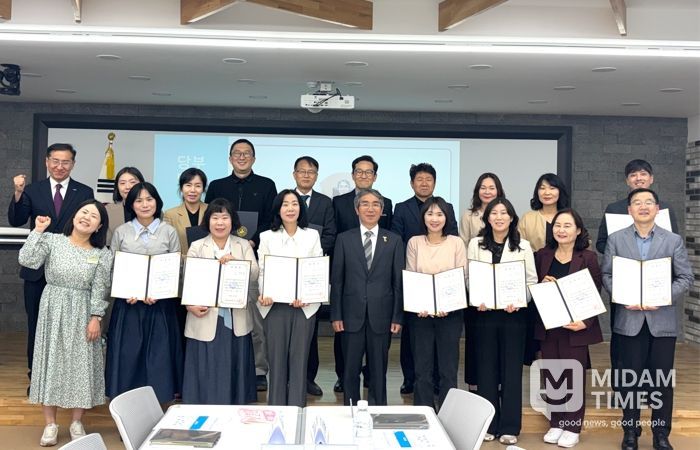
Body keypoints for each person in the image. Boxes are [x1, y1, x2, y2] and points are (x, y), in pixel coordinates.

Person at [602, 188, 692, 450]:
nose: (643, 206)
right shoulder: (616, 239)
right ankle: (630, 431)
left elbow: (685, 277)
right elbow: (607, 275)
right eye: (637, 202)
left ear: (657, 208)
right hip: (628, 320)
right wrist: (621, 295)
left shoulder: (672, 240)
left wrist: (662, 296)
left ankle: (661, 434)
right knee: (630, 380)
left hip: (661, 321)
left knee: (661, 382)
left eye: (648, 202)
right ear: (629, 209)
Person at [18, 200, 113, 447]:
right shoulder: (53, 241)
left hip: (83, 310)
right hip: (53, 307)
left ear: (99, 226)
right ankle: (50, 424)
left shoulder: (102, 254)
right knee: (50, 362)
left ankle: (76, 422)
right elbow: (27, 260)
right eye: (84, 212)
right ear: (74, 216)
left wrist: (96, 317)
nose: (86, 217)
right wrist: (38, 231)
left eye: (93, 216)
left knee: (81, 364)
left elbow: (100, 288)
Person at [8, 143, 94, 389]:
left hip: (70, 272)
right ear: (47, 162)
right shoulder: (32, 190)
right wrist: (18, 193)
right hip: (37, 271)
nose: (60, 166)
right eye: (55, 161)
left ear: (73, 164)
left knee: (69, 329)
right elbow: (16, 220)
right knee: (37, 325)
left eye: (65, 162)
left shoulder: (84, 191)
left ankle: (64, 379)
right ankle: (36, 378)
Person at [204, 138, 277, 391]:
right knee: (218, 317)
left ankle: (258, 369)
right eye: (237, 153)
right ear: (230, 158)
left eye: (247, 153)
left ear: (254, 158)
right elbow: (210, 215)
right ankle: (223, 364)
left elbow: (271, 218)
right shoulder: (217, 185)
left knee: (254, 319)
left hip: (249, 254)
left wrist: (253, 241)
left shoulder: (266, 185)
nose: (242, 157)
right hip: (218, 257)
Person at [467, 198, 537, 445]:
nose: (499, 217)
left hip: (513, 315)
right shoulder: (475, 244)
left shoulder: (524, 246)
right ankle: (489, 423)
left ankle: (509, 426)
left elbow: (531, 280)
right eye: (494, 213)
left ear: (511, 218)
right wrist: (476, 297)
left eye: (504, 213)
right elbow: (469, 276)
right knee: (486, 369)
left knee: (511, 371)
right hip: (484, 314)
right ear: (487, 218)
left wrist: (519, 300)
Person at [105, 182, 183, 404]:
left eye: (149, 199)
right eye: (139, 200)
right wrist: (124, 291)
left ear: (157, 202)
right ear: (131, 205)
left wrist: (161, 292)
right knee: (129, 356)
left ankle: (159, 403)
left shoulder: (169, 231)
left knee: (159, 356)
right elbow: (114, 267)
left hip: (161, 305)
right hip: (129, 305)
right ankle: (128, 404)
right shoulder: (122, 231)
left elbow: (176, 267)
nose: (145, 204)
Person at [533, 208, 603, 448]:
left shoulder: (588, 257)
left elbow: (595, 292)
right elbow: (533, 287)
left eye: (567, 226)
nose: (561, 230)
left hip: (576, 327)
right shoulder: (543, 255)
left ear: (578, 230)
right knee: (552, 376)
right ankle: (556, 422)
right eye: (557, 225)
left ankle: (572, 427)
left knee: (573, 377)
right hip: (549, 326)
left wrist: (586, 322)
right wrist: (541, 284)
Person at [331, 188, 404, 406]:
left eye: (375, 204)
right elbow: (337, 281)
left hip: (382, 316)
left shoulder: (393, 240)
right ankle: (351, 411)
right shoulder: (344, 239)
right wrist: (336, 314)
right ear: (357, 209)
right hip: (350, 316)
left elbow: (398, 283)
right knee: (350, 370)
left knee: (378, 371)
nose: (370, 209)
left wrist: (397, 316)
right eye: (365, 204)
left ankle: (378, 410)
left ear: (382, 210)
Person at [182, 198, 258, 405]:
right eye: (215, 218)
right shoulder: (197, 246)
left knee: (234, 362)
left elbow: (255, 274)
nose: (220, 223)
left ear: (233, 221)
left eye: (225, 217)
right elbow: (188, 280)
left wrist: (237, 264)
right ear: (208, 221)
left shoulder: (243, 245)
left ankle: (235, 403)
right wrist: (190, 305)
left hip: (236, 315)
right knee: (207, 364)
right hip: (205, 314)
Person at [392, 163, 458, 395]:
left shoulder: (448, 213)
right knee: (415, 347)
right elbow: (398, 244)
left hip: (448, 300)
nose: (424, 183)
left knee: (446, 356)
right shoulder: (402, 209)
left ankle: (442, 390)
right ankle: (410, 380)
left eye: (428, 179)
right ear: (412, 183)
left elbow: (459, 269)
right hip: (418, 294)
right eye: (419, 179)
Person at [596, 159, 679, 335]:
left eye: (643, 174)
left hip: (657, 279)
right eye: (633, 175)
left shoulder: (665, 208)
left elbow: (676, 245)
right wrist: (622, 253)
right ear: (627, 181)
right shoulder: (614, 208)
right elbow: (601, 243)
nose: (638, 178)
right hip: (624, 279)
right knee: (622, 330)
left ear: (651, 178)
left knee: (657, 330)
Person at [257, 190, 323, 407]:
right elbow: (263, 270)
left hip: (304, 307)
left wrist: (307, 295)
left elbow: (316, 268)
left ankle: (297, 407)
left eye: (295, 204)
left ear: (301, 209)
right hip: (275, 306)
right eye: (285, 204)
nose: (290, 208)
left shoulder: (312, 235)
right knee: (276, 361)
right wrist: (264, 293)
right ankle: (276, 408)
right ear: (278, 209)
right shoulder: (267, 237)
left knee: (299, 360)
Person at [405, 196, 466, 410]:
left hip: (450, 315)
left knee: (448, 369)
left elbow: (462, 276)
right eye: (430, 214)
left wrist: (447, 305)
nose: (434, 218)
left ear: (446, 217)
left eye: (439, 214)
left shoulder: (456, 242)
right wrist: (419, 304)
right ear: (423, 217)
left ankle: (449, 413)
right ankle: (424, 412)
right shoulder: (414, 242)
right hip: (421, 314)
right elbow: (412, 275)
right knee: (422, 369)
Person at [292, 156, 337, 397]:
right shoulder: (285, 198)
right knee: (287, 328)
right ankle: (287, 377)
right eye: (302, 171)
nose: (306, 175)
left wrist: (310, 254)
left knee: (310, 327)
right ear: (294, 174)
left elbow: (330, 234)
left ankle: (308, 378)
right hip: (286, 272)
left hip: (313, 271)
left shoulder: (325, 202)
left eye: (311, 172)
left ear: (316, 176)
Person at [459, 172, 505, 390]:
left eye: (491, 187)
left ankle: (497, 381)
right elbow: (463, 245)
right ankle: (474, 382)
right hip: (476, 282)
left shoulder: (505, 212)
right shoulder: (469, 215)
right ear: (477, 191)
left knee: (498, 338)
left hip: (502, 286)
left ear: (498, 190)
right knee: (475, 336)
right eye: (483, 187)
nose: (487, 191)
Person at [518, 173, 570, 253]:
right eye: (542, 188)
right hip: (533, 260)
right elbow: (519, 246)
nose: (547, 192)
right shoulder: (527, 218)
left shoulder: (569, 217)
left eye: (552, 188)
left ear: (560, 191)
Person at [163, 168, 208, 256]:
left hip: (208, 261)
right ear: (181, 188)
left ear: (203, 189)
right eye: (188, 185)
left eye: (198, 186)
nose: (193, 190)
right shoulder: (170, 214)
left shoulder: (211, 210)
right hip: (181, 261)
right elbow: (167, 244)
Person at [105, 166, 145, 245]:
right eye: (122, 183)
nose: (127, 187)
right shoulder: (108, 210)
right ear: (117, 187)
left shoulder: (152, 209)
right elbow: (107, 242)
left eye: (132, 182)